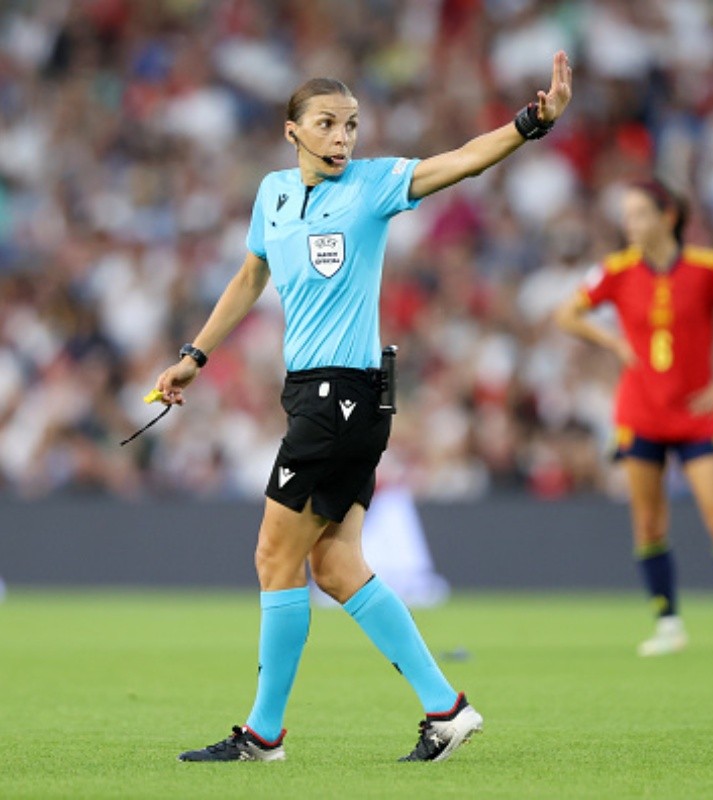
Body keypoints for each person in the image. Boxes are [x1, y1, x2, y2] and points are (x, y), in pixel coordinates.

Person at [154, 53, 572, 762]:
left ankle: (264, 734)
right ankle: (447, 709)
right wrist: (194, 356)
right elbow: (252, 273)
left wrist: (532, 122)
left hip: (339, 395)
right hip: (322, 397)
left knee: (272, 555)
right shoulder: (274, 195)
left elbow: (465, 160)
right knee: (338, 566)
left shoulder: (375, 185)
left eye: (351, 123)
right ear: (293, 131)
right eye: (327, 124)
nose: (343, 136)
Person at [556, 179, 713, 658]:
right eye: (627, 214)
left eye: (639, 214)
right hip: (640, 414)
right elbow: (567, 314)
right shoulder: (616, 270)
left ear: (669, 217)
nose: (630, 224)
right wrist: (613, 343)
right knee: (649, 523)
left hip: (697, 417)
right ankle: (667, 622)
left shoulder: (708, 268)